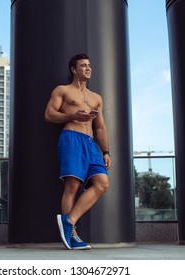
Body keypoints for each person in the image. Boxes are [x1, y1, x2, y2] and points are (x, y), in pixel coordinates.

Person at [44, 54, 111, 250]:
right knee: (72, 186)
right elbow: (49, 115)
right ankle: (72, 235)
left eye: (89, 65)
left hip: (90, 144)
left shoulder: (95, 98)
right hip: (71, 138)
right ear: (74, 69)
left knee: (102, 183)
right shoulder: (63, 91)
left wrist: (106, 151)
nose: (88, 68)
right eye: (83, 65)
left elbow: (100, 127)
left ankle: (69, 221)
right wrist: (72, 114)